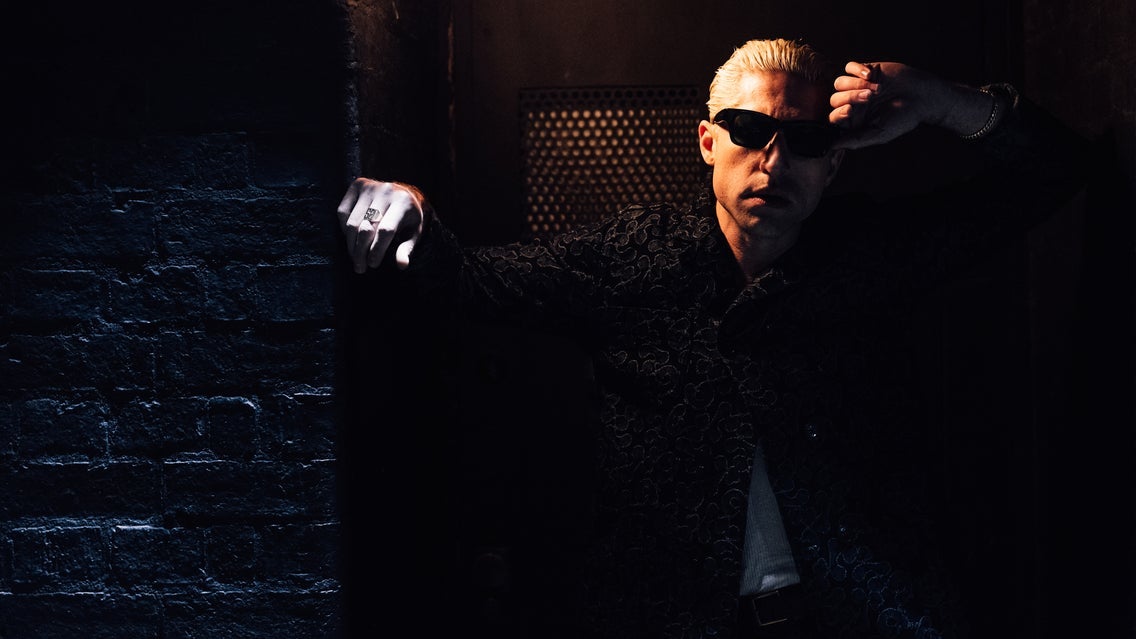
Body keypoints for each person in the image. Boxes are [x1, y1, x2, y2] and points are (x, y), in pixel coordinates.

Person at [337, 38, 1088, 639]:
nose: (773, 161)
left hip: (862, 612)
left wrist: (935, 99)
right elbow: (464, 280)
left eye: (803, 142)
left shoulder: (869, 257)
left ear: (833, 165)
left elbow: (1054, 174)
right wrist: (410, 209)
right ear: (707, 140)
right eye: (750, 132)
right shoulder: (635, 257)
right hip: (670, 617)